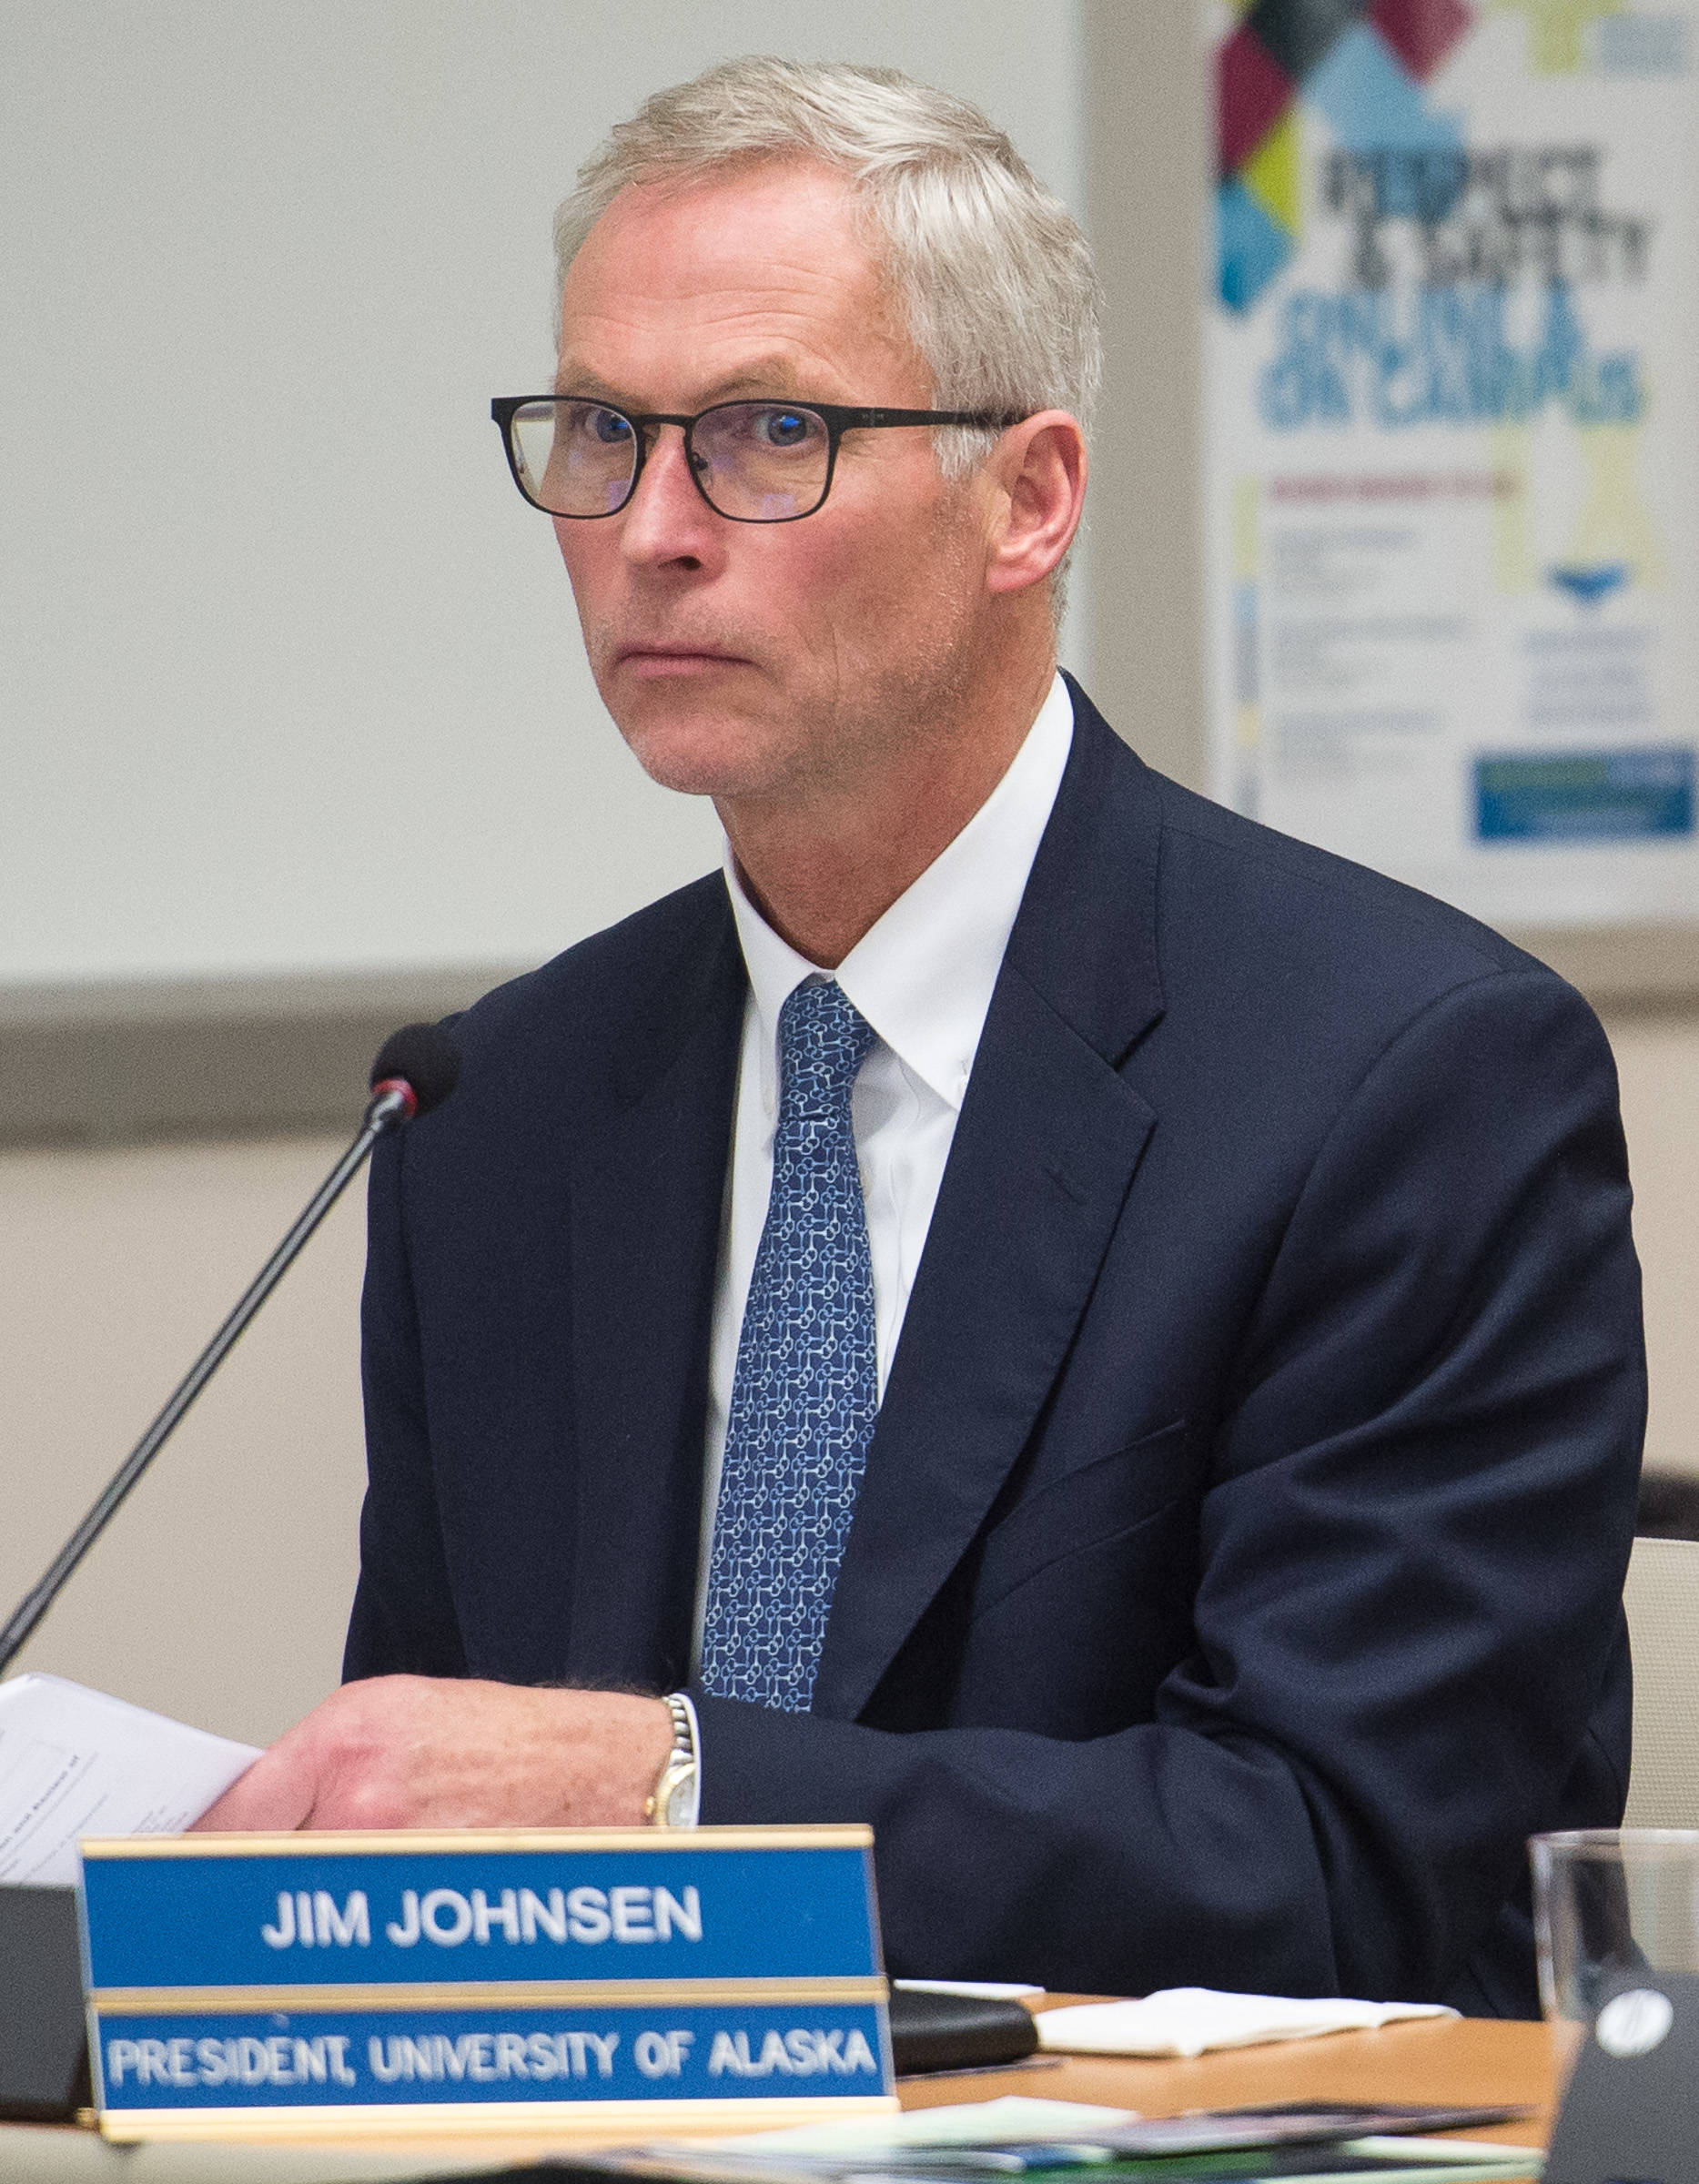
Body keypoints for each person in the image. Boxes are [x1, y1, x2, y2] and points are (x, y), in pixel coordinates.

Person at [199, 57, 1644, 2016]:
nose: (653, 529)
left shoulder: (1405, 1078)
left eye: (768, 434)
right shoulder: (491, 1110)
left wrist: (676, 1793)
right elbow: (449, 1835)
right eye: (603, 432)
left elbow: (1357, 1864)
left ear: (1027, 500)